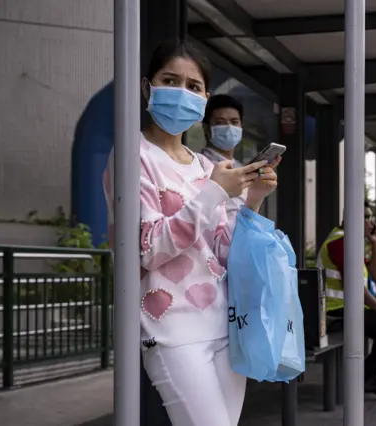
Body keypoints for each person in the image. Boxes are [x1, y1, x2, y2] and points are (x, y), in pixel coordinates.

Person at [102, 40, 280, 426]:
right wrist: (215, 192)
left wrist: (253, 200)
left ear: (205, 99)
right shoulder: (133, 154)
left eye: (193, 86)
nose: (182, 93)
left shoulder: (203, 165)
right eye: (171, 80)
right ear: (148, 87)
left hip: (225, 323)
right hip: (171, 330)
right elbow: (146, 249)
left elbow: (221, 249)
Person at [317, 203, 376, 401]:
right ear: (349, 219)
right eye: (365, 217)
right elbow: (353, 286)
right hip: (337, 312)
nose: (370, 222)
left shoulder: (352, 241)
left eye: (370, 216)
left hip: (353, 308)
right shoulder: (340, 242)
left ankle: (367, 377)